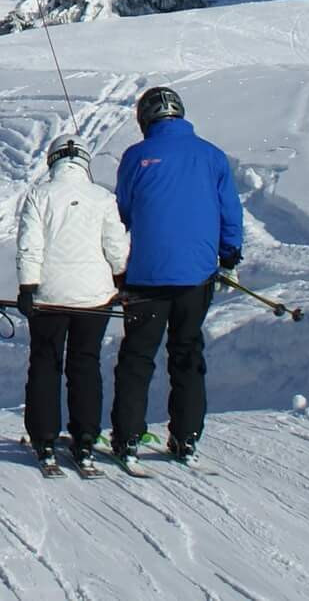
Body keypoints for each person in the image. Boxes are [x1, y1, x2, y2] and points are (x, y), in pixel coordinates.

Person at [110, 86, 244, 469]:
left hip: (148, 276)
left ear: (145, 119)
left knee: (138, 356)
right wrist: (229, 256)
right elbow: (230, 214)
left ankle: (128, 436)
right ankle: (185, 437)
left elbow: (124, 211)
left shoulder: (136, 156)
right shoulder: (212, 156)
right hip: (196, 275)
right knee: (187, 353)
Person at [15, 136, 129, 477]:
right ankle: (84, 439)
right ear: (84, 162)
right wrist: (121, 279)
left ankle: (45, 438)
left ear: (52, 161)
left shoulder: (40, 194)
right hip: (94, 298)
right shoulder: (102, 197)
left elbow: (30, 243)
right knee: (85, 364)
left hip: (49, 296)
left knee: (45, 363)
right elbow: (116, 246)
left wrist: (27, 286)